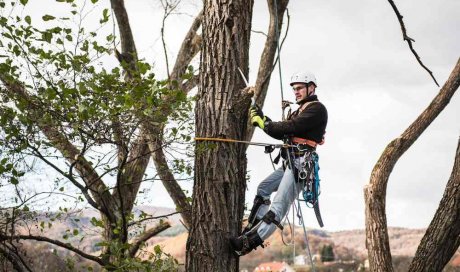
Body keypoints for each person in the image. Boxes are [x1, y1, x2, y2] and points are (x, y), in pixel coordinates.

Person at [229, 71, 328, 256]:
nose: (296, 92)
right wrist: (264, 120)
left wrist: (263, 123)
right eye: (294, 89)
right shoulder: (300, 110)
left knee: (279, 206)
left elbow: (290, 128)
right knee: (263, 188)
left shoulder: (317, 109)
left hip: (301, 165)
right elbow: (283, 130)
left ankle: (247, 243)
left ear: (311, 87)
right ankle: (252, 227)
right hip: (290, 161)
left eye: (299, 88)